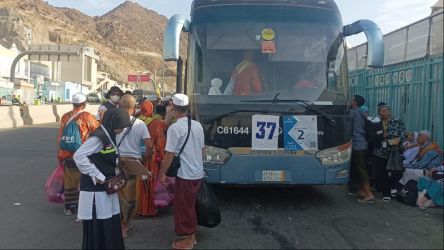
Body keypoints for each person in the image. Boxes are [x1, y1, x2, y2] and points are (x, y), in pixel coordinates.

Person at [73, 109, 131, 250]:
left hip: (106, 189)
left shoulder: (108, 134)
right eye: (121, 125)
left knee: (109, 224)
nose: (122, 128)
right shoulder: (98, 138)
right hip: (96, 192)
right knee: (99, 226)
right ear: (112, 123)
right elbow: (79, 156)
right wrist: (97, 175)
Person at [159, 93, 205, 249]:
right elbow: (202, 150)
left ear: (173, 108)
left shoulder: (175, 128)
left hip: (185, 174)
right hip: (197, 172)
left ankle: (188, 240)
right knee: (190, 205)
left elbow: (169, 154)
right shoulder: (197, 125)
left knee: (183, 207)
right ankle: (192, 235)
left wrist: (162, 173)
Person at [57, 93, 100, 216]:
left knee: (70, 181)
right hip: (83, 155)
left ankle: (69, 207)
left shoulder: (65, 116)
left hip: (67, 154)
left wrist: (60, 154)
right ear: (84, 104)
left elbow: (60, 137)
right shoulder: (87, 116)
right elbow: (98, 131)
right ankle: (83, 206)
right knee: (84, 180)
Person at [116, 94, 153, 237]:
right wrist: (144, 160)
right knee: (131, 197)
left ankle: (118, 222)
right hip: (133, 163)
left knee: (117, 194)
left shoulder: (114, 122)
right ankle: (124, 225)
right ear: (134, 107)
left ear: (120, 105)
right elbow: (149, 146)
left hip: (117, 162)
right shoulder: (140, 124)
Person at [137, 100, 167, 216]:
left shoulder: (135, 121)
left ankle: (139, 208)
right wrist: (162, 157)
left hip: (137, 156)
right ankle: (149, 208)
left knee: (139, 182)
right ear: (151, 110)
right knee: (150, 181)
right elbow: (160, 142)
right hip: (151, 157)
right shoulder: (156, 123)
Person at [372, 102, 406, 201]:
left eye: (386, 110)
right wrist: (379, 136)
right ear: (379, 113)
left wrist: (399, 139)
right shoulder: (376, 122)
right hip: (379, 151)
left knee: (396, 172)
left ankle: (392, 187)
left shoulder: (397, 121)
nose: (385, 112)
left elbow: (404, 133)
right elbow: (371, 135)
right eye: (382, 111)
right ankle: (386, 193)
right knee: (380, 173)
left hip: (393, 151)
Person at [348, 95, 374, 203]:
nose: (349, 101)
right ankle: (363, 191)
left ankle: (368, 194)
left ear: (354, 102)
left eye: (351, 99)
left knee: (360, 169)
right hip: (364, 144)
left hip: (357, 144)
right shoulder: (362, 113)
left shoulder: (353, 113)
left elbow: (349, 129)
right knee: (359, 168)